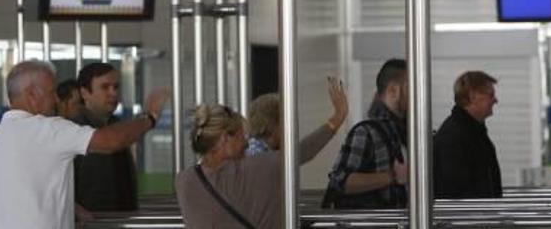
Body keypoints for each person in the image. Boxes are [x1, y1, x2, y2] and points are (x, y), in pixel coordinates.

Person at [0, 60, 169, 229]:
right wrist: (150, 117)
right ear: (31, 94)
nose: (56, 99)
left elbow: (24, 192)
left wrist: (70, 207)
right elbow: (111, 141)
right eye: (51, 92)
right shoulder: (47, 129)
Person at [176, 77, 347, 229]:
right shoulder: (254, 168)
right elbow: (303, 151)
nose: (245, 141)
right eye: (241, 135)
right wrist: (337, 118)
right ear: (224, 139)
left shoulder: (184, 180)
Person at [324, 58, 408, 209]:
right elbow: (340, 181)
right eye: (412, 87)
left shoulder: (405, 132)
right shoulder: (366, 132)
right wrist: (392, 177)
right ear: (393, 90)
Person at [72, 62, 141, 212]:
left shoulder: (117, 126)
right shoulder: (73, 131)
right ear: (84, 93)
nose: (113, 93)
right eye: (105, 87)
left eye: (116, 87)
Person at [433, 70, 502, 199]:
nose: (495, 100)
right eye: (490, 95)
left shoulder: (472, 132)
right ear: (472, 96)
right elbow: (455, 194)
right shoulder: (454, 137)